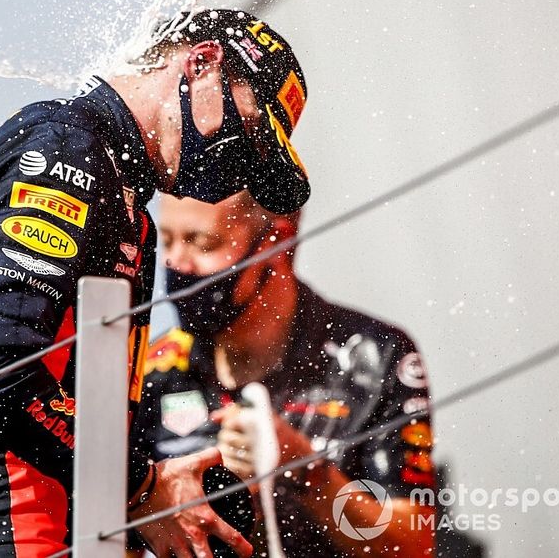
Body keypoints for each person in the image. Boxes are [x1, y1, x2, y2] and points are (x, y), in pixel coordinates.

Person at [0, 8, 311, 557]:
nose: (238, 167)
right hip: (6, 531)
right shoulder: (67, 150)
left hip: (26, 529)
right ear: (202, 64)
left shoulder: (113, 179)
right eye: (248, 133)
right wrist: (140, 487)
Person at [131, 192, 437, 557]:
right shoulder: (151, 369)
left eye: (203, 243)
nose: (175, 261)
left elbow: (415, 545)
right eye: (165, 240)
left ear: (277, 241)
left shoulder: (376, 355)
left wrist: (303, 468)